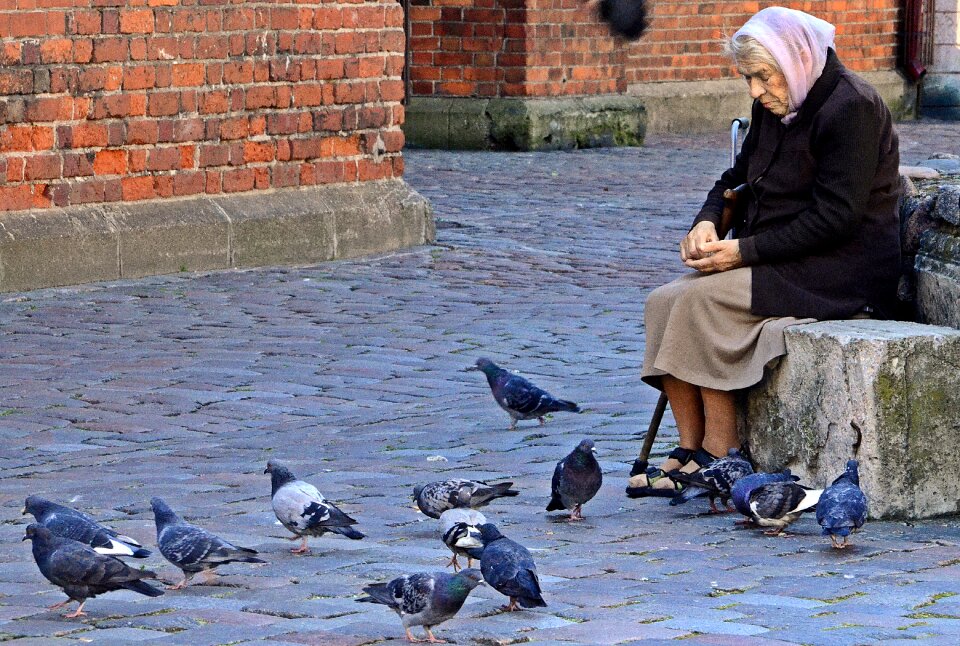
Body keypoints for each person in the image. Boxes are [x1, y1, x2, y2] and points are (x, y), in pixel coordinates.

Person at [628, 7, 901, 496]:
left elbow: (835, 218)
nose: (755, 90)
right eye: (748, 78)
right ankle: (688, 448)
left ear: (795, 61)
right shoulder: (777, 103)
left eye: (762, 76)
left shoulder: (851, 107)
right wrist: (708, 222)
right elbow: (735, 179)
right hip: (778, 256)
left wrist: (742, 253)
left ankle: (720, 450)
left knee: (699, 302)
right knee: (661, 301)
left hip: (837, 269)